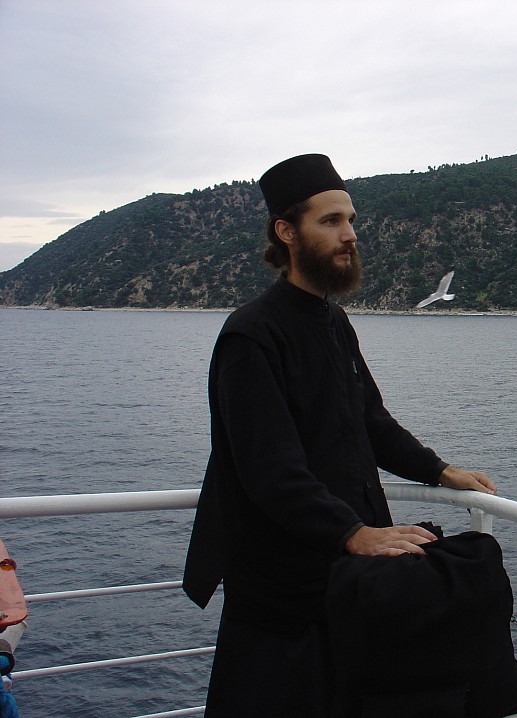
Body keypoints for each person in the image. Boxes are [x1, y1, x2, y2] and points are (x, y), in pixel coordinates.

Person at [183, 153, 496, 716]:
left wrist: (440, 470)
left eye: (350, 220)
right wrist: (354, 532)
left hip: (347, 575)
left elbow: (370, 421)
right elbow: (270, 470)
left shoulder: (333, 321)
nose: (350, 235)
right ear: (287, 232)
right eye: (330, 221)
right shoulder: (251, 335)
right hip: (283, 586)